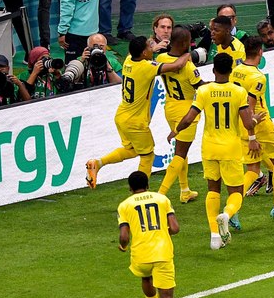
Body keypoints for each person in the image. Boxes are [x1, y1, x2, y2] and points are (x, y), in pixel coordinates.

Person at [168, 53, 259, 250]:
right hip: (230, 148)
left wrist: (176, 131)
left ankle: (214, 237)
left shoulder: (204, 91)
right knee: (236, 192)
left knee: (213, 190)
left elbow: (189, 118)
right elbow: (246, 122)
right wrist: (255, 124)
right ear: (231, 71)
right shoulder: (238, 92)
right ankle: (226, 215)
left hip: (209, 147)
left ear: (213, 70)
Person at [85, 37, 190, 187]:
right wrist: (188, 53)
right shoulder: (146, 67)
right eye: (149, 47)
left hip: (122, 116)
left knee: (132, 150)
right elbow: (177, 65)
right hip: (135, 122)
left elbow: (139, 52)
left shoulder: (128, 60)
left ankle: (97, 163)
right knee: (147, 156)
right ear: (142, 53)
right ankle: (142, 191)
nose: (151, 49)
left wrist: (153, 48)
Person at [231, 36, 274, 220]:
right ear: (260, 52)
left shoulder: (236, 71)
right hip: (259, 124)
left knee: (252, 170)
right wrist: (252, 135)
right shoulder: (258, 77)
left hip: (240, 122)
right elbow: (251, 105)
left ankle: (231, 209)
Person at [116, 171, 180, 298]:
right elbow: (174, 228)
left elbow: (124, 236)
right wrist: (161, 233)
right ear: (148, 185)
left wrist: (122, 246)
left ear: (130, 188)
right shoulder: (162, 199)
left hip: (140, 254)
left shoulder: (124, 205)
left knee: (146, 276)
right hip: (163, 253)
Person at [155, 26, 203, 204]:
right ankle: (161, 194)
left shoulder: (161, 58)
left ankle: (185, 190)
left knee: (180, 150)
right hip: (187, 111)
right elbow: (201, 87)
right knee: (180, 154)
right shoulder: (189, 67)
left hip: (170, 107)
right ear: (183, 43)